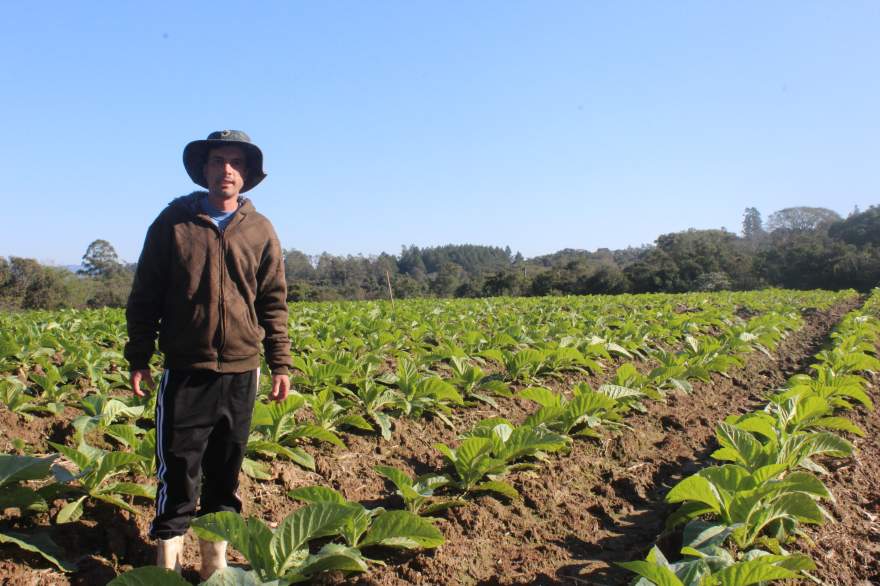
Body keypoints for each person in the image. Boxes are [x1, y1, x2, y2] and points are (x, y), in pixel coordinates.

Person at [124, 130, 292, 579]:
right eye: (218, 161)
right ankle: (168, 570)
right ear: (204, 169)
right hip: (185, 371)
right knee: (177, 475)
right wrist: (138, 355)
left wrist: (281, 363)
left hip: (241, 371)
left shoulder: (260, 230)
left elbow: (272, 301)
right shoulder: (173, 223)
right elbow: (146, 294)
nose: (227, 170)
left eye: (236, 163)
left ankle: (214, 569)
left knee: (225, 475)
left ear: (247, 174)